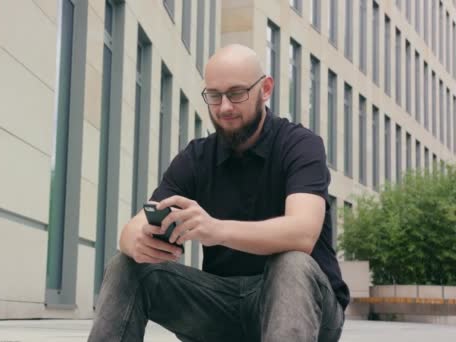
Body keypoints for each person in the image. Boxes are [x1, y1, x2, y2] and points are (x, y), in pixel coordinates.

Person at [88, 44, 349, 342]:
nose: (224, 107)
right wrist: (137, 241)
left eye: (237, 94)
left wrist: (216, 230)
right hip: (222, 306)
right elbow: (134, 226)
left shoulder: (300, 145)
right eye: (214, 96)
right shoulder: (196, 157)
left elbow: (303, 233)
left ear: (265, 89)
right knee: (125, 265)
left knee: (291, 263)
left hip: (305, 309)